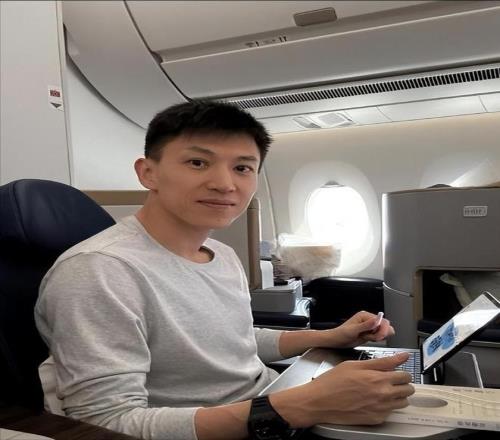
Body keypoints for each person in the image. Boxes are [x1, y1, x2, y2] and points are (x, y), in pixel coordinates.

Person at [35, 100, 414, 440]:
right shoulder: (101, 271)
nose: (224, 184)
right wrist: (303, 405)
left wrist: (331, 336)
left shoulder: (221, 254)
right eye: (197, 163)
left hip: (269, 406)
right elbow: (106, 423)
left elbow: (236, 340)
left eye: (242, 167)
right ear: (148, 173)